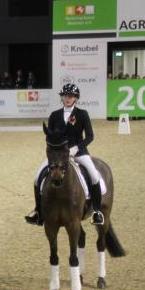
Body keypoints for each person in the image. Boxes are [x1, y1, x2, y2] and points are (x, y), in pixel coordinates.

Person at [25, 83, 104, 226]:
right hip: (58, 155)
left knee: (94, 175)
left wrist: (76, 148)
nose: (68, 98)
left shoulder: (82, 114)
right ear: (62, 97)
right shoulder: (54, 115)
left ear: (76, 98)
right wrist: (54, 149)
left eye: (71, 96)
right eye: (66, 96)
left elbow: (90, 136)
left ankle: (97, 212)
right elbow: (50, 137)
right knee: (37, 178)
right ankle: (38, 212)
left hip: (78, 153)